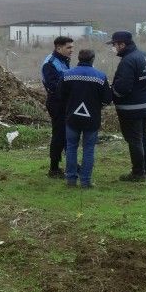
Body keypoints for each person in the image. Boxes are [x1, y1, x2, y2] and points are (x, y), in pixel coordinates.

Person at [108, 31, 146, 182]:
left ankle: (138, 173)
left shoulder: (127, 61)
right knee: (143, 137)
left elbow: (122, 88)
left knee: (134, 140)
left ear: (122, 44)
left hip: (132, 108)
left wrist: (112, 93)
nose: (114, 48)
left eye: (114, 44)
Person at [60, 49, 113, 188]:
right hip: (92, 119)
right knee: (88, 149)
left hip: (72, 118)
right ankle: (85, 182)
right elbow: (107, 99)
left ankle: (71, 180)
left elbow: (60, 95)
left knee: (71, 148)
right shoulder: (100, 76)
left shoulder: (67, 74)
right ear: (92, 59)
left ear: (79, 58)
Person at [41, 36, 74, 178]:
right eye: (69, 47)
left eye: (72, 47)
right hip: (56, 103)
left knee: (67, 135)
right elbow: (53, 86)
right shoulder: (50, 63)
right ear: (59, 48)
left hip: (65, 102)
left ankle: (71, 164)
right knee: (59, 135)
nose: (72, 50)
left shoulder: (63, 60)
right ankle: (54, 169)